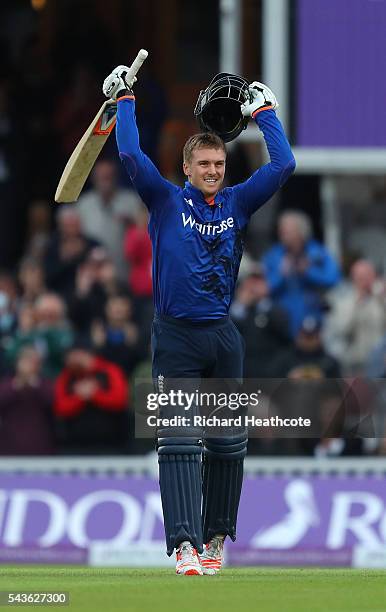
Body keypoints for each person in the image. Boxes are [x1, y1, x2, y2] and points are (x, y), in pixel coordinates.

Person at [102, 66, 296, 575]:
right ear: (187, 167)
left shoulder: (237, 201)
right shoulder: (164, 199)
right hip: (177, 337)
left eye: (218, 163)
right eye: (204, 163)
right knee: (181, 442)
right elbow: (129, 154)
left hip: (222, 336)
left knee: (229, 442)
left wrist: (266, 115)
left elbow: (284, 165)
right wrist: (125, 100)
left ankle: (215, 540)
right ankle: (184, 546)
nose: (213, 170)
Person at [262, 210, 340, 337]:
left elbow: (334, 279)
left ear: (301, 232)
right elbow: (263, 288)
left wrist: (308, 271)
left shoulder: (318, 252)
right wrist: (280, 274)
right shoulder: (273, 255)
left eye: (287, 231)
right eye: (281, 230)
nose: (282, 234)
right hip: (281, 322)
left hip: (313, 320)